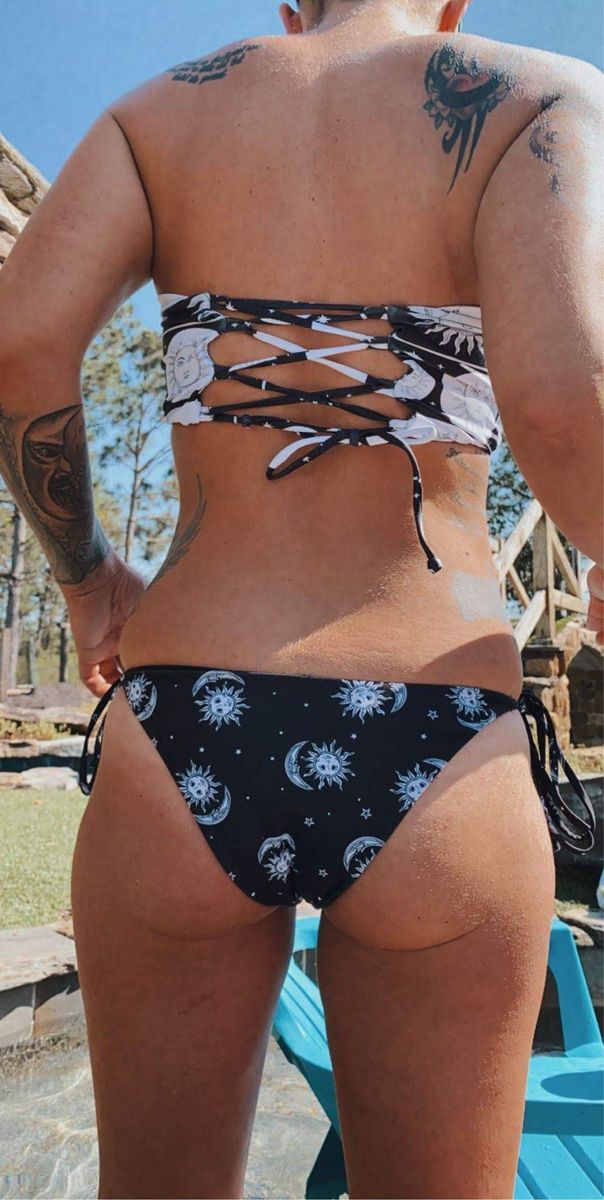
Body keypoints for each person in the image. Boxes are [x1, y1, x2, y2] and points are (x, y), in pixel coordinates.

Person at [0, 0, 601, 1195]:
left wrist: (88, 576)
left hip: (183, 722)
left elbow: (17, 343)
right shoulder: (535, 96)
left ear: (288, 2)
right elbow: (565, 392)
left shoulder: (155, 114)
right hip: (434, 725)